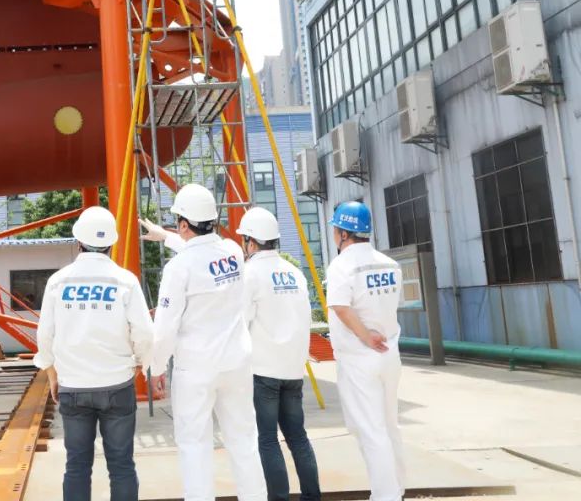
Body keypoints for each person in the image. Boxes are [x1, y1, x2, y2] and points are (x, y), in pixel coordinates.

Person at [143, 184, 267, 501]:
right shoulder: (234, 252)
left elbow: (165, 327)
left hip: (196, 370)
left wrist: (156, 367)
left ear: (184, 224)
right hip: (236, 365)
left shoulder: (178, 269)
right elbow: (202, 253)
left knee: (194, 446)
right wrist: (165, 236)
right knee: (244, 441)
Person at [34, 205, 154, 501]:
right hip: (117, 385)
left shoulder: (59, 281)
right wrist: (142, 362)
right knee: (122, 465)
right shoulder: (125, 280)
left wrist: (51, 373)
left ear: (78, 241)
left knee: (77, 466)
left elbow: (45, 334)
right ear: (111, 242)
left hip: (74, 386)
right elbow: (144, 332)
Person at [238, 207, 321, 501]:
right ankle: (312, 497)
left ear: (250, 242)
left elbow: (241, 323)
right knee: (298, 437)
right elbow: (305, 317)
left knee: (267, 440)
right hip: (293, 369)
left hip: (263, 371)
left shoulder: (250, 274)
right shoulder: (294, 273)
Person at [326, 201, 405, 501]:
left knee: (370, 430)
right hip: (390, 354)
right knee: (388, 424)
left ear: (344, 233)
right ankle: (396, 489)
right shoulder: (389, 264)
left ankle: (385, 496)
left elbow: (340, 307)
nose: (335, 234)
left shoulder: (341, 265)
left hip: (360, 357)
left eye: (336, 229)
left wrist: (366, 336)